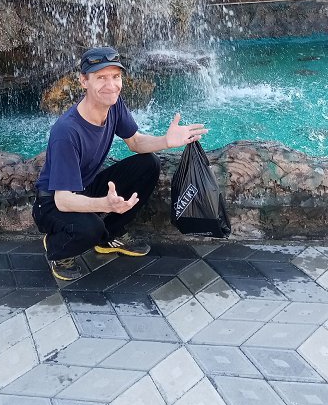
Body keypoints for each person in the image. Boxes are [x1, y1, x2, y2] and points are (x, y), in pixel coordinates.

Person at [33, 46, 208, 281]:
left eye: (116, 76)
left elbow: (135, 142)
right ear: (84, 81)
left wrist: (167, 141)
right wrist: (104, 204)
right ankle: (57, 248)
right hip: (52, 203)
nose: (111, 85)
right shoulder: (67, 132)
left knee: (149, 164)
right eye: (101, 78)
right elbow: (63, 200)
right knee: (91, 229)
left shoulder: (113, 105)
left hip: (84, 187)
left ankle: (111, 237)